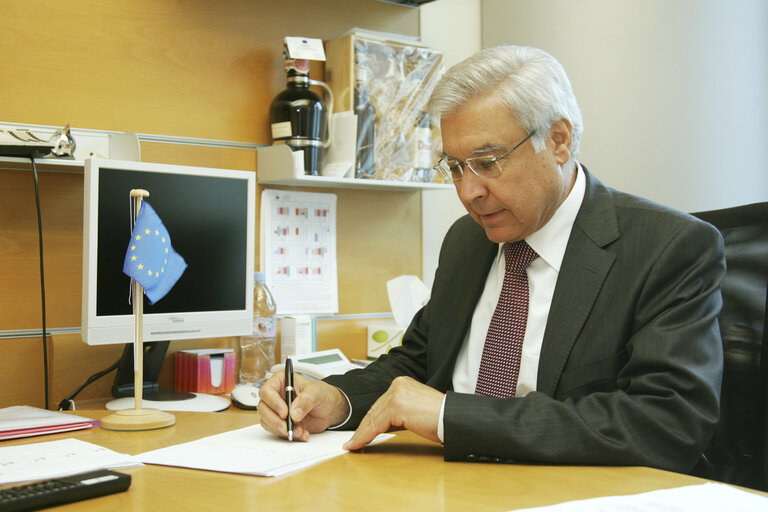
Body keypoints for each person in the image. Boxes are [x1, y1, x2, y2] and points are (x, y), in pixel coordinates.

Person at [258, 45, 725, 474]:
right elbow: (418, 363)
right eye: (456, 167)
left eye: (488, 161)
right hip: (445, 484)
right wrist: (336, 398)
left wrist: (450, 416)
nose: (468, 192)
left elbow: (667, 422)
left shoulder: (666, 248)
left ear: (558, 140)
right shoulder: (468, 240)